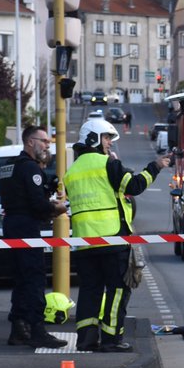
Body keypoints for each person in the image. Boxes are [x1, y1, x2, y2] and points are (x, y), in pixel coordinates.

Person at [64, 117, 172, 352]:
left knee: (89, 291)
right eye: (106, 138)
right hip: (112, 239)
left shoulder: (71, 172)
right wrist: (155, 166)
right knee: (117, 290)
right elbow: (133, 186)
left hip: (84, 243)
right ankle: (111, 339)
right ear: (93, 139)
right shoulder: (107, 164)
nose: (109, 144)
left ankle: (86, 339)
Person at [0, 124, 68, 348]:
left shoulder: (9, 167)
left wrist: (45, 190)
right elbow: (37, 205)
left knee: (20, 279)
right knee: (35, 278)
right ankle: (37, 329)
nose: (48, 145)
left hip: (11, 225)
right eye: (44, 141)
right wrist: (56, 208)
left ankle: (18, 329)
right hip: (27, 227)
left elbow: (18, 196)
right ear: (30, 142)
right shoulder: (30, 168)